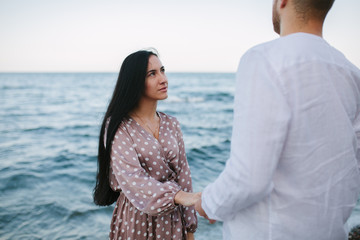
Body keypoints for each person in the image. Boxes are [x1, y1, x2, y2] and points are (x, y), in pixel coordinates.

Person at [195, 0, 360, 239]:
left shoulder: (263, 58)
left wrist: (208, 202)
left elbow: (249, 178)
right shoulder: (352, 74)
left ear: (282, 1)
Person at [93, 49, 199, 240]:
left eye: (163, 70)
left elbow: (184, 176)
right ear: (135, 82)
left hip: (174, 221)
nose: (163, 79)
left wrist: (190, 227)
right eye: (152, 74)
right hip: (136, 220)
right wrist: (179, 196)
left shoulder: (172, 123)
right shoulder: (118, 126)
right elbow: (134, 180)